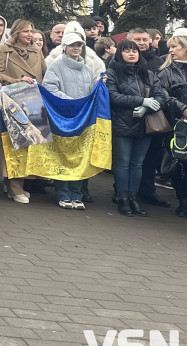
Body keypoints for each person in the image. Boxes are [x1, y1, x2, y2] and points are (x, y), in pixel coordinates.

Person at [106, 39, 168, 217]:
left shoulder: (148, 73)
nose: (132, 53)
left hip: (145, 124)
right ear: (120, 53)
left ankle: (134, 198)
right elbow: (113, 96)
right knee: (122, 163)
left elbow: (160, 96)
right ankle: (123, 198)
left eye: (134, 51)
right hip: (122, 123)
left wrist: (147, 107)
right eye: (127, 50)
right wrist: (141, 101)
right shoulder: (112, 73)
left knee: (137, 164)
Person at [42, 32, 103, 209]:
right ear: (65, 47)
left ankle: (76, 195)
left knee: (79, 157)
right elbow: (50, 88)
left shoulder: (88, 70)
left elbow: (93, 92)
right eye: (72, 45)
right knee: (63, 157)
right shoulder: (56, 67)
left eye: (78, 45)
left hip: (83, 121)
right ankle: (62, 194)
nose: (76, 48)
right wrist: (70, 102)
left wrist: (100, 83)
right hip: (63, 119)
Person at [0, 19, 47, 204]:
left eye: (31, 31)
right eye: (25, 32)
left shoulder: (37, 51)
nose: (29, 35)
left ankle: (15, 184)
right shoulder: (3, 50)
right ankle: (15, 186)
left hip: (33, 103)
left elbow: (45, 74)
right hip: (12, 102)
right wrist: (17, 80)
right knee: (14, 144)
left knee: (29, 144)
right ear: (16, 33)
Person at [156, 30, 187, 217]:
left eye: (174, 46)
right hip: (178, 125)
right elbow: (164, 96)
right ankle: (182, 200)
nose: (171, 51)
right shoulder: (166, 72)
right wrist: (182, 108)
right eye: (169, 47)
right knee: (181, 163)